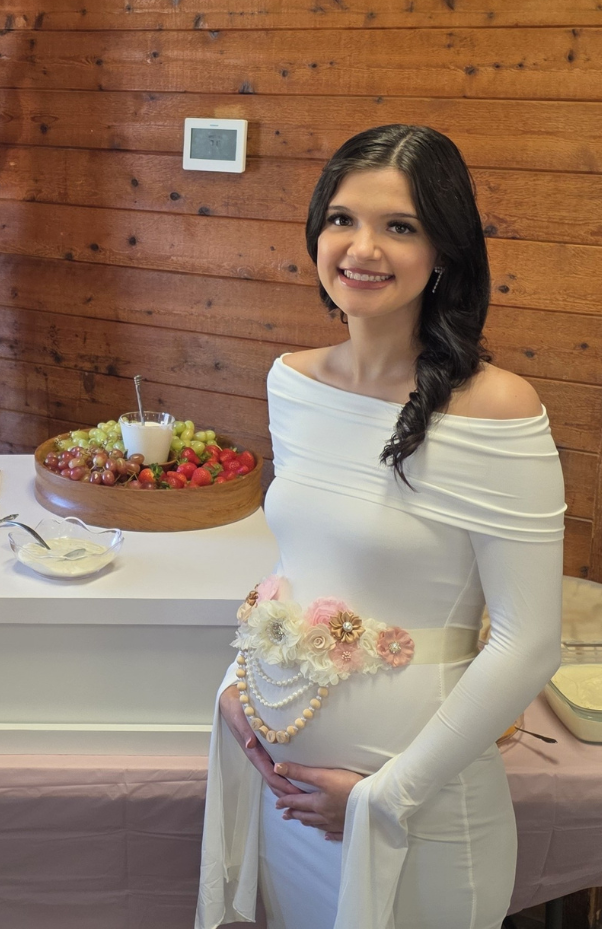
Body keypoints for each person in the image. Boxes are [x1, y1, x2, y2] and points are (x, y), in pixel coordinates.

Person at [196, 125, 566, 929]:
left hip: (418, 813)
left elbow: (530, 641)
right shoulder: (291, 381)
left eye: (399, 226)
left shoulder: (498, 409)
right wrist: (236, 686)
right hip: (289, 804)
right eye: (341, 219)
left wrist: (382, 797)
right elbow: (300, 570)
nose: (361, 248)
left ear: (445, 251)